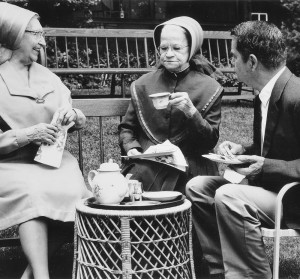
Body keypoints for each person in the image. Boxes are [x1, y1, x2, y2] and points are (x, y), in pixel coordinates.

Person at [186, 20, 300, 279]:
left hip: (293, 198)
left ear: (251, 61)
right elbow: (277, 146)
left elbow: (275, 160)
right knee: (198, 187)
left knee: (229, 195)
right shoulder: (265, 93)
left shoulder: (297, 96)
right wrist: (244, 150)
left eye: (233, 57)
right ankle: (222, 270)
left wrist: (265, 165)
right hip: (271, 190)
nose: (230, 64)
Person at [0, 3, 90, 279]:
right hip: (10, 164)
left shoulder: (48, 77)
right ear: (14, 35)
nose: (43, 41)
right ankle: (41, 275)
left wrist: (74, 116)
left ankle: (30, 275)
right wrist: (28, 134)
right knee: (32, 192)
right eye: (35, 34)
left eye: (43, 34)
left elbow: (73, 117)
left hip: (53, 162)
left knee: (78, 196)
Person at [118, 16, 223, 193]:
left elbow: (209, 141)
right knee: (140, 176)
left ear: (191, 49)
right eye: (163, 48)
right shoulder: (142, 84)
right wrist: (132, 149)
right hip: (148, 163)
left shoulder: (210, 87)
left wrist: (192, 112)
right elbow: (127, 129)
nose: (168, 54)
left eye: (176, 48)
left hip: (191, 164)